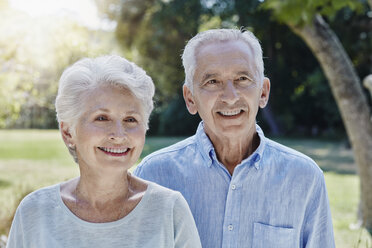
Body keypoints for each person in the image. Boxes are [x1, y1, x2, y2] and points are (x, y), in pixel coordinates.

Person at [134, 29, 335, 247]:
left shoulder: (305, 177)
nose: (230, 97)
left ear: (263, 92)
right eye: (212, 82)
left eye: (242, 78)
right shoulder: (153, 175)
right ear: (190, 99)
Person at [6, 55, 202, 248]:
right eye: (101, 118)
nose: (119, 134)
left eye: (131, 119)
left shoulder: (169, 209)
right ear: (68, 132)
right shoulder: (35, 212)